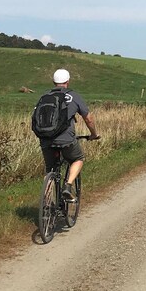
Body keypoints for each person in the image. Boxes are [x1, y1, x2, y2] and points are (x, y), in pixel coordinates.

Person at [36, 68, 98, 202]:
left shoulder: (44, 96)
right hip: (66, 139)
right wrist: (93, 134)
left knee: (50, 170)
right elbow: (89, 119)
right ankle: (68, 186)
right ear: (68, 81)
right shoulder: (73, 96)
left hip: (45, 139)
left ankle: (46, 204)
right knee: (78, 158)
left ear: (53, 82)